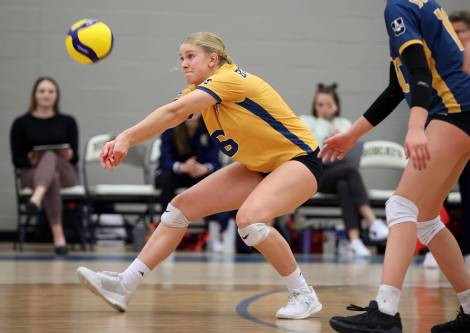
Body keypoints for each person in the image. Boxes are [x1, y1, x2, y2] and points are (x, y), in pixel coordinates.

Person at [76, 32, 323, 319]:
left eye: (190, 56)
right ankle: (124, 284)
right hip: (260, 166)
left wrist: (126, 138)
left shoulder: (229, 79)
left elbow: (175, 110)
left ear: (213, 59)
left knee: (249, 221)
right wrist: (127, 139)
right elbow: (170, 118)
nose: (183, 64)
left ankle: (304, 294)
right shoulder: (200, 92)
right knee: (180, 209)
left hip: (300, 161)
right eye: (181, 58)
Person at [325, 1, 470, 332]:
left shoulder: (398, 7)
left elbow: (420, 72)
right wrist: (351, 135)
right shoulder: (418, 5)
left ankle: (386, 313)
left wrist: (416, 126)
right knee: (425, 219)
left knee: (400, 205)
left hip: (455, 110)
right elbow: (397, 87)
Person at [423, 10, 470, 270]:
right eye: (452, 30)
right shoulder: (438, 58)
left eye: (462, 30)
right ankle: (434, 249)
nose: (458, 35)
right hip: (441, 132)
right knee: (435, 193)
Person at [301, 83, 388, 257]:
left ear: (336, 106)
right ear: (314, 105)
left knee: (344, 185)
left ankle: (354, 240)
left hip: (339, 173)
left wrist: (338, 134)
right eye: (320, 105)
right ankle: (372, 222)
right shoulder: (307, 121)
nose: (324, 108)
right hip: (316, 174)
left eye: (328, 104)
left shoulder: (344, 124)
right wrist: (326, 136)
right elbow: (311, 150)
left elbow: (351, 151)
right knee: (350, 172)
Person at [9, 77, 79, 255]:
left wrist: (69, 155)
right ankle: (59, 238)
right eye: (42, 91)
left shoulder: (68, 121)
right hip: (31, 174)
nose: (46, 95)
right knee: (51, 176)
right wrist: (31, 160)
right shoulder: (21, 123)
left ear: (57, 95)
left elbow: (75, 156)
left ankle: (36, 198)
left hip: (66, 173)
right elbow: (17, 159)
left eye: (50, 91)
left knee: (50, 156)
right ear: (34, 94)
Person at [154, 112, 232, 252]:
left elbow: (215, 160)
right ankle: (164, 232)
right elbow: (165, 159)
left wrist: (204, 168)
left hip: (199, 173)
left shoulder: (209, 128)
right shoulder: (170, 128)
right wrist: (181, 167)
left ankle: (215, 234)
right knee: (166, 179)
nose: (193, 113)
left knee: (212, 183)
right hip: (175, 173)